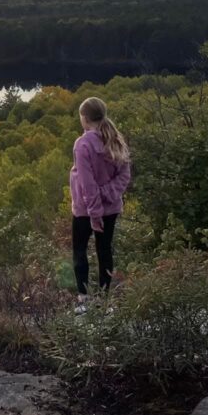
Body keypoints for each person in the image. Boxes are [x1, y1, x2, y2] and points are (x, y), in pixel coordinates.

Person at [69, 96, 131, 309]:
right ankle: (104, 301)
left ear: (84, 118)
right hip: (111, 208)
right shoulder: (115, 138)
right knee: (104, 251)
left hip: (86, 210)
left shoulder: (83, 144)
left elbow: (88, 186)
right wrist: (109, 194)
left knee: (79, 250)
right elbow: (124, 176)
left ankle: (84, 301)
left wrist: (95, 214)